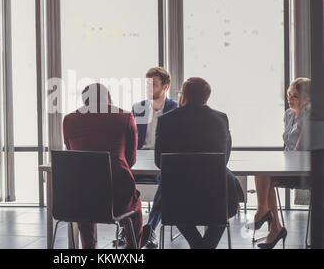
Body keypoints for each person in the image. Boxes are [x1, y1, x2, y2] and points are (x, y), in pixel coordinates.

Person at [154, 77, 244, 249]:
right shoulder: (221, 118)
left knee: (175, 208)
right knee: (223, 208)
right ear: (207, 97)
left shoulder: (166, 120)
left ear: (183, 95)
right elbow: (224, 159)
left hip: (178, 196)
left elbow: (160, 161)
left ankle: (198, 245)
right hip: (215, 193)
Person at [63, 83, 143, 249]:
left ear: (85, 102)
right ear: (109, 99)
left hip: (82, 195)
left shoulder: (69, 119)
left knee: (83, 198)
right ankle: (132, 247)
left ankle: (88, 247)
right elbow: (131, 160)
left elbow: (72, 154)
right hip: (117, 195)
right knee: (134, 207)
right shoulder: (125, 116)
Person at [251, 78, 311, 249]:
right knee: (262, 172)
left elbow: (302, 149)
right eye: (288, 95)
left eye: (295, 96)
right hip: (289, 165)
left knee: (265, 176)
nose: (290, 100)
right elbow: (288, 146)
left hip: (303, 170)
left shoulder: (310, 116)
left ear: (306, 98)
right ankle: (272, 225)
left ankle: (268, 220)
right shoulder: (288, 114)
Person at [130, 67, 177, 249]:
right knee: (120, 179)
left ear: (165, 87)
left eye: (153, 84)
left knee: (167, 181)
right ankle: (127, 229)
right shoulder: (138, 108)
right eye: (147, 84)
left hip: (163, 159)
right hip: (140, 157)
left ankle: (150, 229)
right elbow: (130, 137)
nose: (148, 88)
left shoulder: (175, 108)